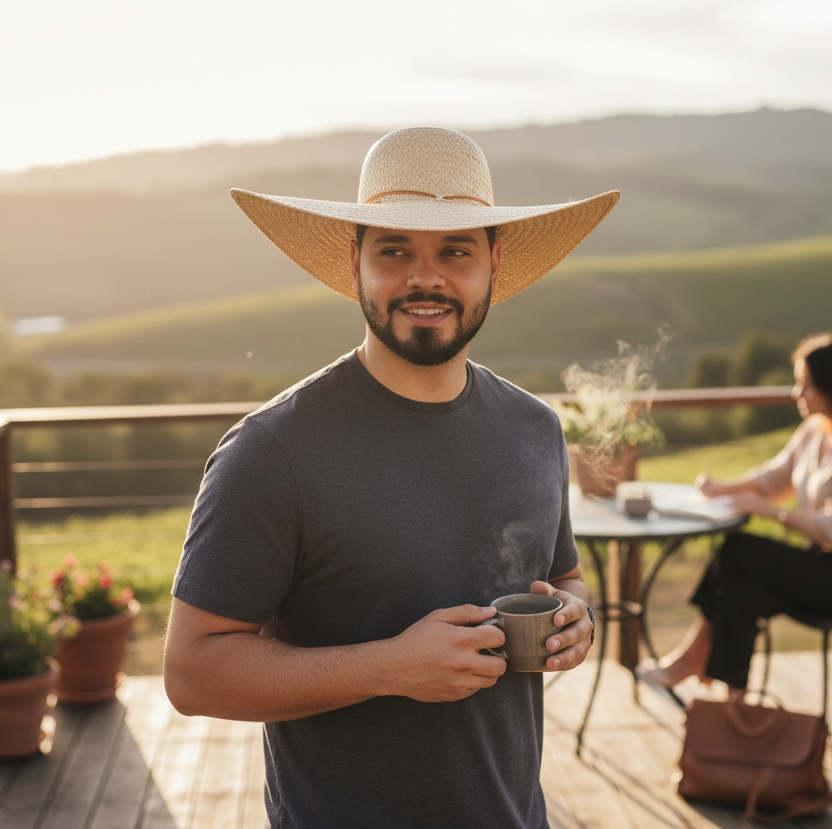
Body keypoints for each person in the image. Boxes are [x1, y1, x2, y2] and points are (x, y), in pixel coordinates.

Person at [163, 127, 619, 829]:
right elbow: (192, 673)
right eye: (395, 250)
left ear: (495, 264)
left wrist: (575, 620)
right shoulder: (272, 450)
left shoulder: (535, 428)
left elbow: (566, 580)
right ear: (356, 263)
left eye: (456, 251)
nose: (425, 278)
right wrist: (389, 667)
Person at [638, 333, 832, 693]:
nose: (796, 393)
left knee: (738, 549)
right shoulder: (814, 431)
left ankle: (690, 662)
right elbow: (775, 477)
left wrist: (772, 513)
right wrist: (723, 488)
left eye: (806, 384)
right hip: (814, 566)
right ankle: (734, 707)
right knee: (738, 594)